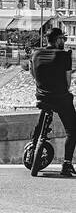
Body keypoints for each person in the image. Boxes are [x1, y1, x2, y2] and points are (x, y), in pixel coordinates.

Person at [28, 26, 75, 177]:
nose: (64, 41)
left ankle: (33, 146)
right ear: (57, 40)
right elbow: (67, 83)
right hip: (61, 98)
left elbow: (32, 73)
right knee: (72, 131)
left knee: (43, 116)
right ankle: (67, 164)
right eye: (63, 38)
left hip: (42, 97)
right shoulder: (64, 55)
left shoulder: (35, 53)